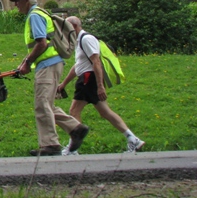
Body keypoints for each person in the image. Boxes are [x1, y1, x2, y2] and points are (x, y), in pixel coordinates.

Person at [10, 0, 89, 156]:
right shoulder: (39, 14)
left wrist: (28, 63)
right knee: (47, 105)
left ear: (27, 0)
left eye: (17, 1)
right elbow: (40, 44)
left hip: (47, 66)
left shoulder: (35, 16)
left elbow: (42, 44)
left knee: (42, 105)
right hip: (50, 64)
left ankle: (50, 144)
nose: (15, 4)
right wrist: (25, 62)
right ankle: (76, 129)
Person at [58, 16, 145, 155]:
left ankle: (72, 149)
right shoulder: (79, 41)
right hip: (87, 77)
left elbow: (96, 62)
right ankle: (133, 139)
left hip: (88, 79)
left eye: (66, 28)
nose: (65, 32)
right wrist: (63, 83)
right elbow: (78, 66)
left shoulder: (86, 39)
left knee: (74, 111)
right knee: (105, 112)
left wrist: (100, 86)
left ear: (73, 26)